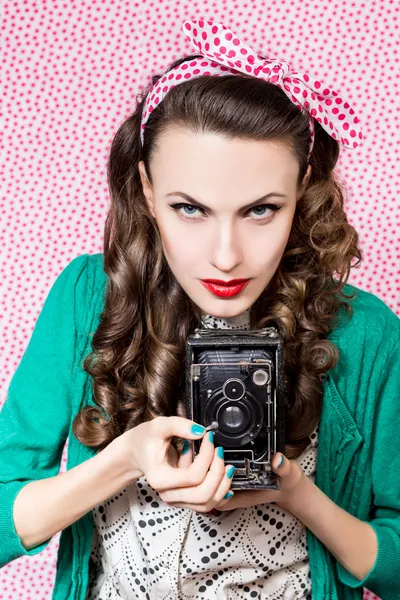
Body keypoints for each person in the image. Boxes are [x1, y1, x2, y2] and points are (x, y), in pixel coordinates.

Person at [0, 18, 399, 600]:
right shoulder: (89, 297)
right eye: (190, 208)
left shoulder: (366, 334)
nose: (226, 255)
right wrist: (124, 460)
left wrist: (297, 494)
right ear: (146, 192)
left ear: (303, 189)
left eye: (261, 210)